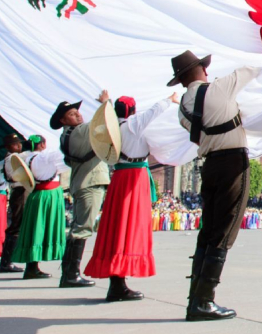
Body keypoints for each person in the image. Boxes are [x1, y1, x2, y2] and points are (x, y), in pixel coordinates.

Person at [170, 49, 260, 321]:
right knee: (225, 229)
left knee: (207, 230)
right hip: (232, 161)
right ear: (201, 70)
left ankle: (195, 299)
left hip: (209, 164)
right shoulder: (219, 87)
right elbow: (253, 68)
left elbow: (197, 138)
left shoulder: (182, 108)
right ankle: (204, 302)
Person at [85, 94, 177, 302]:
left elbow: (107, 117)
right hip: (135, 177)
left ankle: (116, 282)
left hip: (119, 176)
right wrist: (169, 99)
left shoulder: (112, 128)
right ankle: (119, 285)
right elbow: (154, 111)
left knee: (117, 228)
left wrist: (105, 104)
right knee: (130, 228)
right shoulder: (134, 125)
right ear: (134, 111)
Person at [52, 93, 112, 288]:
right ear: (62, 120)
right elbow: (103, 122)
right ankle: (71, 274)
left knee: (79, 227)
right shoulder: (78, 133)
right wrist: (106, 104)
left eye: (77, 112)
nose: (78, 115)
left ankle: (69, 272)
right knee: (82, 229)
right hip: (90, 183)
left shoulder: (68, 135)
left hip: (83, 183)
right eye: (71, 113)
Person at [12, 135, 66, 279]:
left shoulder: (28, 159)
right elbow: (66, 162)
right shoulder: (46, 156)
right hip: (49, 195)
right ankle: (33, 267)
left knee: (34, 229)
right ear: (42, 144)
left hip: (36, 194)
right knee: (41, 229)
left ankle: (32, 266)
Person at [0, 133, 30, 273]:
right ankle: (7, 262)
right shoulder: (13, 157)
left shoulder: (13, 157)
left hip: (20, 191)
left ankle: (8, 261)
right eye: (15, 144)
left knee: (18, 225)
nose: (19, 145)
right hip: (19, 190)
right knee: (16, 226)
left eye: (19, 143)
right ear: (8, 147)